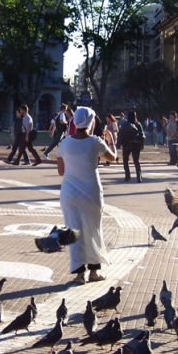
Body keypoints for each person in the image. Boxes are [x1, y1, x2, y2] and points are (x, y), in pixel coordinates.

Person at [57, 106, 117, 285]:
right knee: (93, 230)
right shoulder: (96, 142)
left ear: (74, 121)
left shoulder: (64, 143)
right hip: (91, 192)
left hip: (69, 193)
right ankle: (94, 272)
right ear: (91, 123)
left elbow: (61, 171)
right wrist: (111, 140)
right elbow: (112, 158)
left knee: (73, 232)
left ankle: (79, 274)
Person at [118, 110, 145, 183]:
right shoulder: (138, 124)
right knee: (136, 161)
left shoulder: (125, 124)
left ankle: (127, 176)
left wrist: (119, 144)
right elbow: (142, 135)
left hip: (126, 145)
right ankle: (139, 176)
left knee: (125, 161)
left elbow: (120, 134)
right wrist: (142, 144)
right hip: (136, 145)